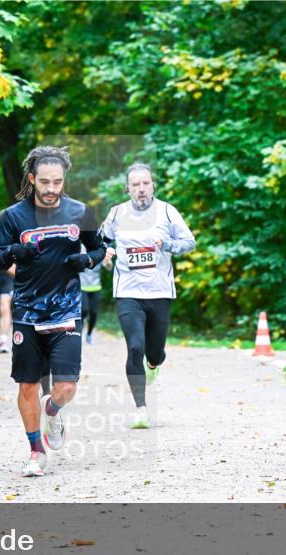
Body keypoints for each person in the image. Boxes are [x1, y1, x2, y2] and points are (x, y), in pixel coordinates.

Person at [0, 146, 106, 477]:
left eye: (57, 182)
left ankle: (52, 410)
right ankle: (36, 451)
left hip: (66, 309)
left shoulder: (80, 211)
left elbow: (101, 247)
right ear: (32, 179)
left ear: (64, 179)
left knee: (66, 387)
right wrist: (13, 251)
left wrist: (88, 259)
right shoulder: (13, 217)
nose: (51, 189)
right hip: (26, 311)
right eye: (44, 182)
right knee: (26, 387)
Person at [100, 163, 195, 429]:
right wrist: (104, 254)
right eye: (135, 185)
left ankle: (154, 364)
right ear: (128, 189)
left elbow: (189, 241)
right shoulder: (117, 213)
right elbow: (99, 240)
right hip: (128, 291)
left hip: (160, 292)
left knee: (155, 352)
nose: (141, 189)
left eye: (145, 184)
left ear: (152, 185)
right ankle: (141, 408)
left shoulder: (167, 211)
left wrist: (169, 245)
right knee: (134, 347)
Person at [79, 243, 104, 344]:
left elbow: (108, 267)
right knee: (84, 310)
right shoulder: (80, 247)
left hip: (95, 286)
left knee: (94, 313)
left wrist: (108, 263)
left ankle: (89, 334)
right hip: (82, 285)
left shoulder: (100, 249)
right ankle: (79, 332)